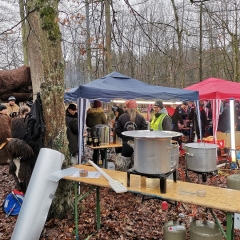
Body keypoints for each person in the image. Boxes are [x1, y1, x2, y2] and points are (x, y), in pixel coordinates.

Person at [116, 100, 148, 170]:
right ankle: (135, 179)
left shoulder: (121, 117)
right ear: (136, 107)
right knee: (138, 166)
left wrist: (124, 137)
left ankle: (125, 180)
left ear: (127, 107)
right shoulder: (141, 118)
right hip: (138, 146)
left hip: (126, 144)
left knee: (124, 167)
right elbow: (145, 131)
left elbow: (118, 130)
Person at [86, 100, 108, 164]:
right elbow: (106, 123)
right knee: (102, 149)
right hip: (100, 133)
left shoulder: (89, 113)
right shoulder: (101, 113)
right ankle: (104, 163)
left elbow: (87, 124)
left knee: (95, 149)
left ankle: (95, 163)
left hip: (92, 133)